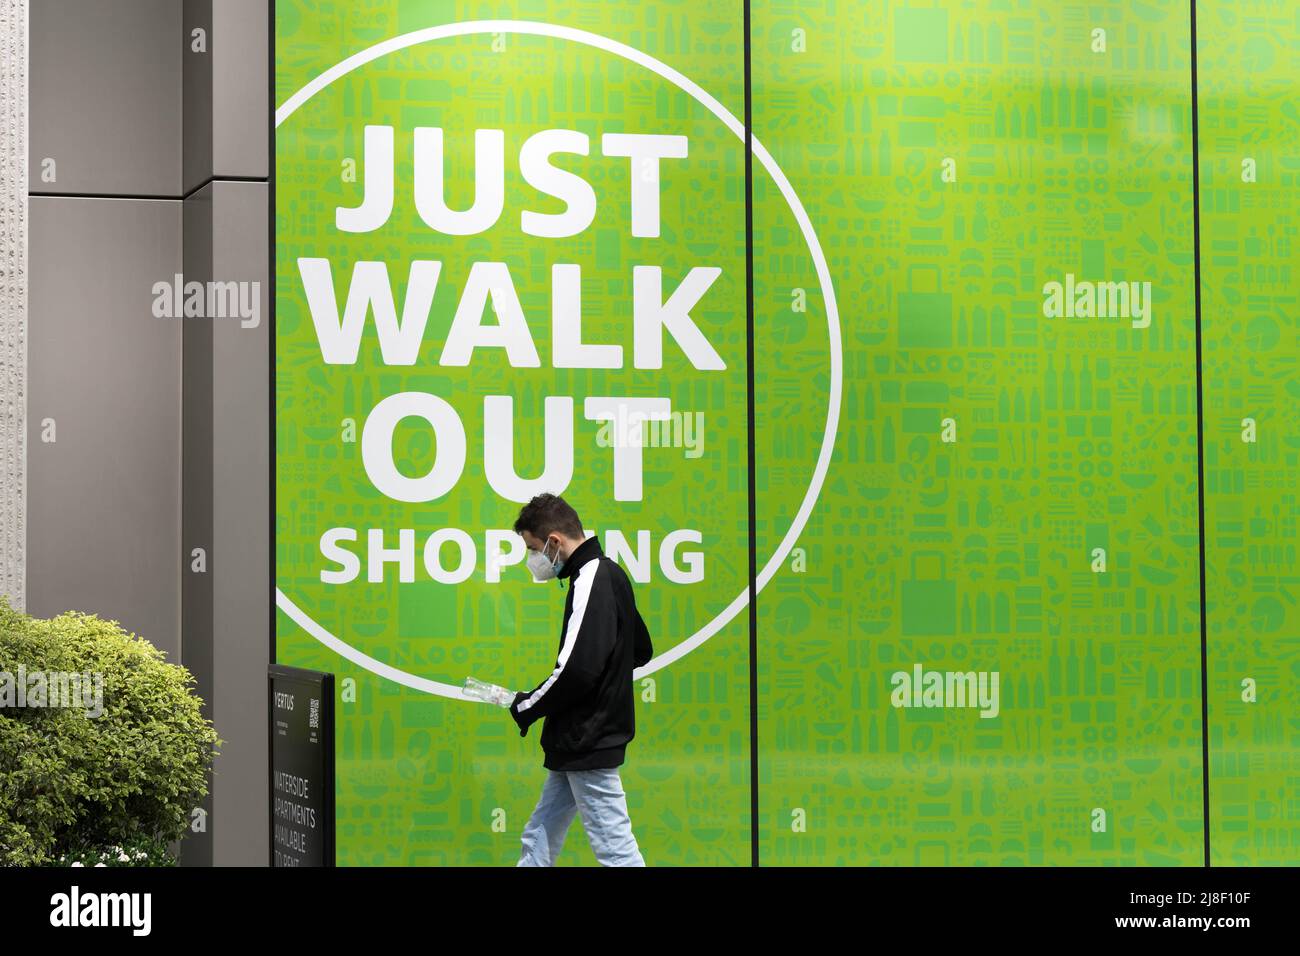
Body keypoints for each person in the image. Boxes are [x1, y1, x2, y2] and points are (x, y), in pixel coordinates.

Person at [508, 492, 653, 867]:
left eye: (533, 548)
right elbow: (640, 648)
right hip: (579, 738)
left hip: (587, 739)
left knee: (616, 852)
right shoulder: (610, 573)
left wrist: (526, 705)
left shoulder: (592, 579)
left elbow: (576, 670)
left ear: (555, 542)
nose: (532, 560)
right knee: (539, 834)